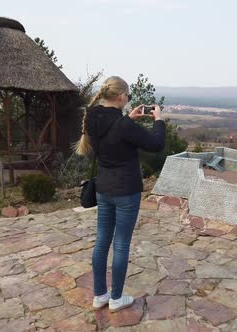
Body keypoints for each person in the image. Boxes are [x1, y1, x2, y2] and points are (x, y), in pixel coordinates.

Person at [75, 76, 166, 312]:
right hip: (126, 190)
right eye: (128, 95)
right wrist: (158, 120)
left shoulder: (92, 117)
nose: (129, 99)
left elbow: (112, 133)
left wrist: (129, 117)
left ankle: (99, 295)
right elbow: (156, 144)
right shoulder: (122, 125)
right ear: (121, 97)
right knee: (121, 243)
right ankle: (116, 298)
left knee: (102, 241)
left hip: (103, 188)